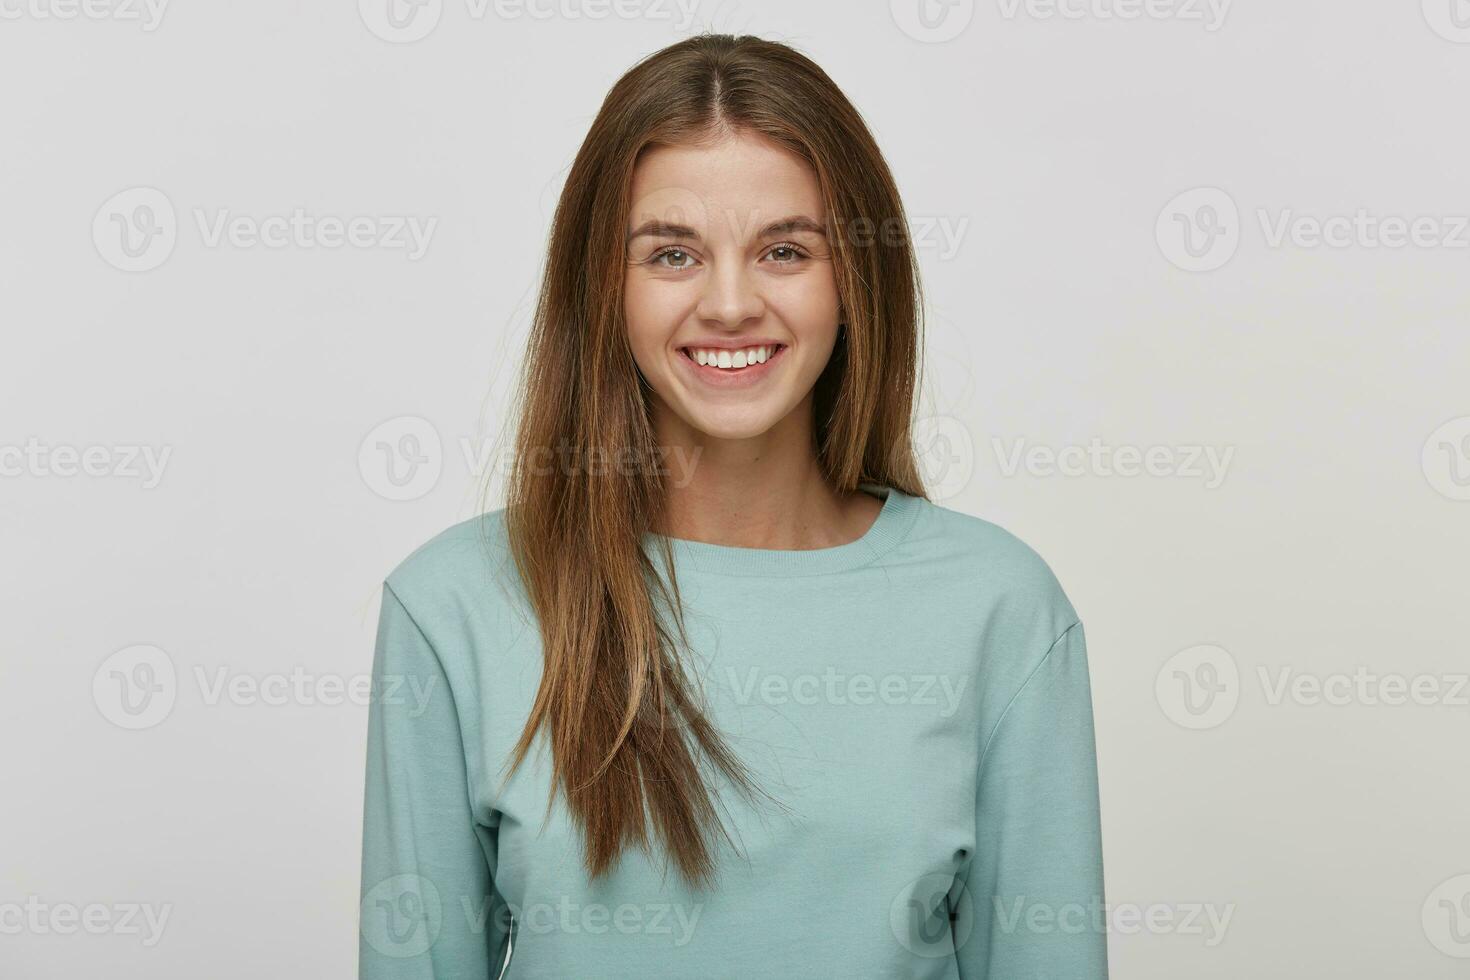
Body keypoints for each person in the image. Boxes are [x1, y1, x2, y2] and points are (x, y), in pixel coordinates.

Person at [359, 32, 1107, 980]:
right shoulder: (452, 608)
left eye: (785, 250)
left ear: (854, 282)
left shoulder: (1000, 610)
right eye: (672, 254)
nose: (728, 303)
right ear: (604, 288)